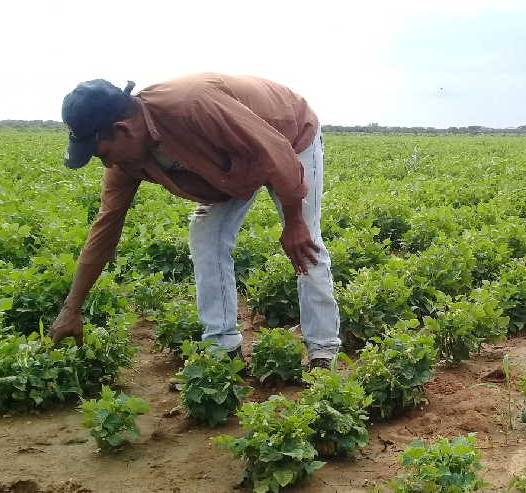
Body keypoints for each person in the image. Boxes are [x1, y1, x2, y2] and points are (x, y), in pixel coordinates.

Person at [49, 73, 340, 370]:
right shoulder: (126, 161)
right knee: (206, 235)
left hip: (288, 136)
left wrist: (293, 222)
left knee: (305, 242)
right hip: (230, 165)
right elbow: (105, 228)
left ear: (122, 129)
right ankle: (222, 352)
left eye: (103, 154)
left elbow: (275, 151)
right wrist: (71, 309)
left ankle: (322, 351)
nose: (107, 164)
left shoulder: (191, 105)